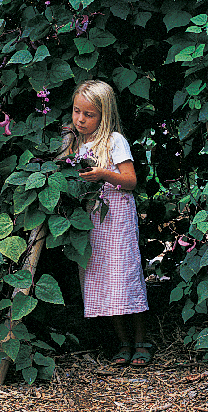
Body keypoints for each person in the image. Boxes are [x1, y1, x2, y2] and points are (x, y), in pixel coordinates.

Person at [60, 80, 153, 367]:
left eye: (89, 114)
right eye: (77, 111)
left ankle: (141, 341)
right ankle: (122, 343)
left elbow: (131, 180)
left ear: (104, 115)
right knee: (101, 279)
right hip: (90, 223)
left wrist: (103, 173)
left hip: (116, 219)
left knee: (125, 276)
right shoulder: (74, 142)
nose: (80, 119)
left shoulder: (114, 140)